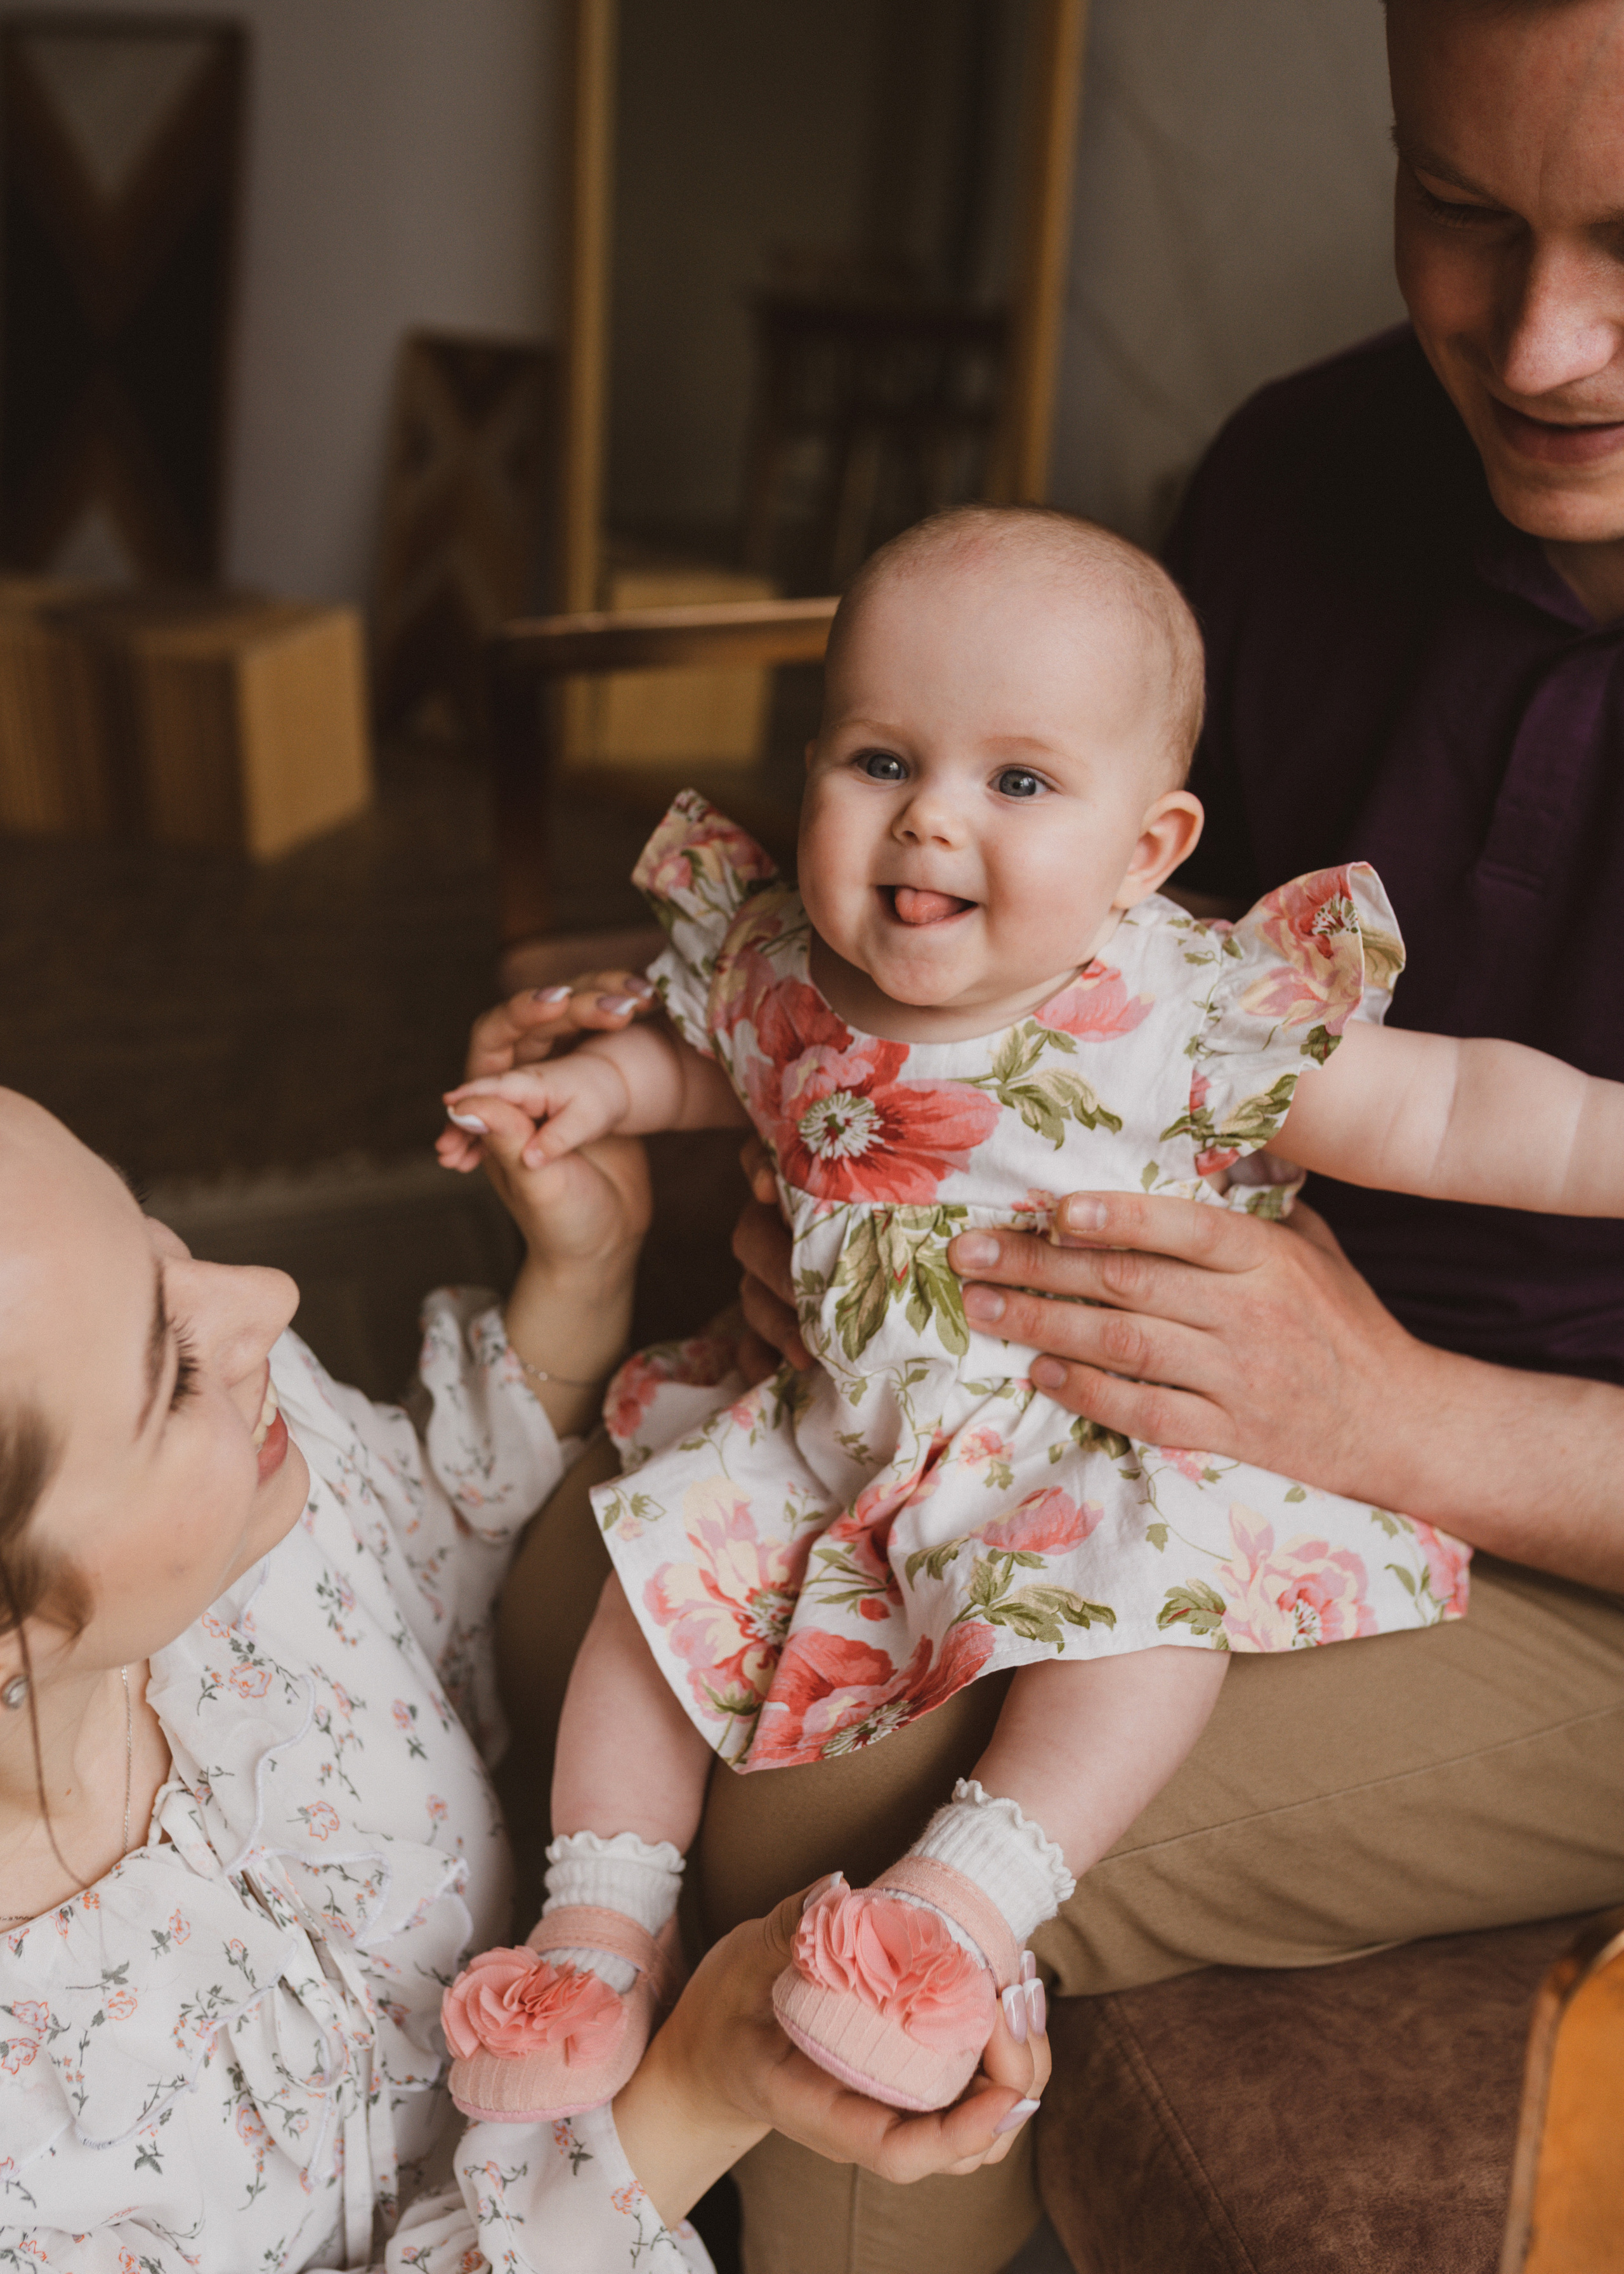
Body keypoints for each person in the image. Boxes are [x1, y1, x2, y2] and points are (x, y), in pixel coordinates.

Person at [476, 4, 1624, 2266]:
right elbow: (1064, 979)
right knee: (560, 1573)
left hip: (1554, 1523)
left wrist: (1398, 1414)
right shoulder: (1304, 484)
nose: (1542, 337)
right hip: (1142, 1383)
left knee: (817, 1802)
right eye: (1462, 212)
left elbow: (1422, 1102)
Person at [0, 1084, 1047, 2274]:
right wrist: (692, 2095)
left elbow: (424, 1559)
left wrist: (583, 1271)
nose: (268, 1299)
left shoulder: (252, 1473)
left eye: (147, 1231)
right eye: (169, 1367)